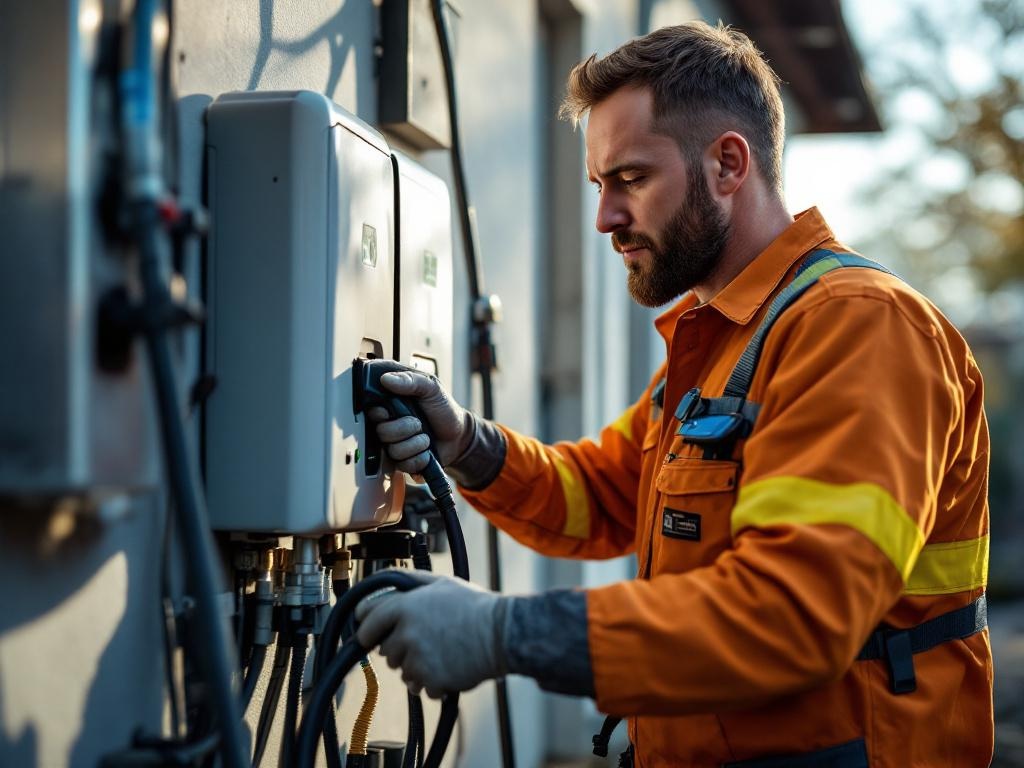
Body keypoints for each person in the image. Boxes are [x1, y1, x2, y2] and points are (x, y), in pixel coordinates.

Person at [355, 21, 993, 767]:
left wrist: (506, 634)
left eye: (630, 179)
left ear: (728, 163)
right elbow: (598, 496)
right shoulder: (722, 339)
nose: (605, 219)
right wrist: (466, 444)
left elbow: (794, 618)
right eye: (600, 186)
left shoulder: (861, 329)